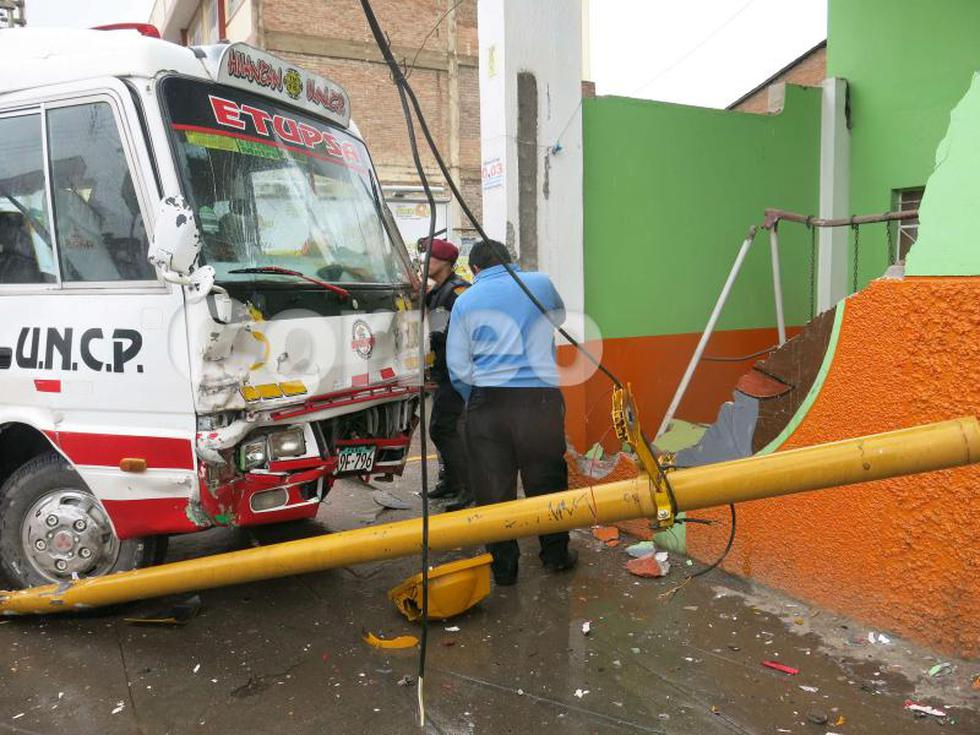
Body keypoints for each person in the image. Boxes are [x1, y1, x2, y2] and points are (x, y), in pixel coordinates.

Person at [446, 239, 575, 585]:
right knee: (546, 478)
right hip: (539, 400)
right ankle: (556, 555)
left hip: (488, 402)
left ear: (474, 270)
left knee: (493, 488)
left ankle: (504, 569)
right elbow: (558, 318)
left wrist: (477, 397)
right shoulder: (540, 283)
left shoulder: (465, 301)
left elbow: (457, 365)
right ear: (510, 260)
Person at [421, 237, 472, 511]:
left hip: (458, 370)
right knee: (444, 429)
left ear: (447, 263)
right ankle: (452, 482)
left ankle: (468, 487)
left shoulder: (459, 291)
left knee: (444, 428)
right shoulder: (436, 292)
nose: (425, 262)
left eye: (432, 258)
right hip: (443, 370)